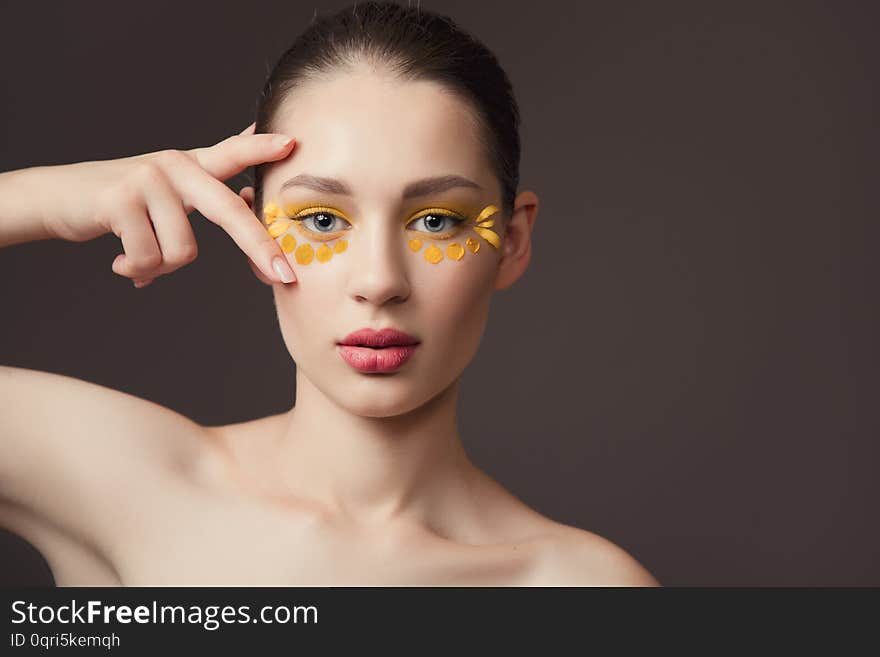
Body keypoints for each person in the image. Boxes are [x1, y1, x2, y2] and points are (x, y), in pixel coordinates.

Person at [0, 1, 659, 586]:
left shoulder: (579, 586)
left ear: (510, 241)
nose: (378, 282)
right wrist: (46, 198)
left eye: (436, 221)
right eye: (322, 220)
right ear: (253, 227)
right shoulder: (134, 484)